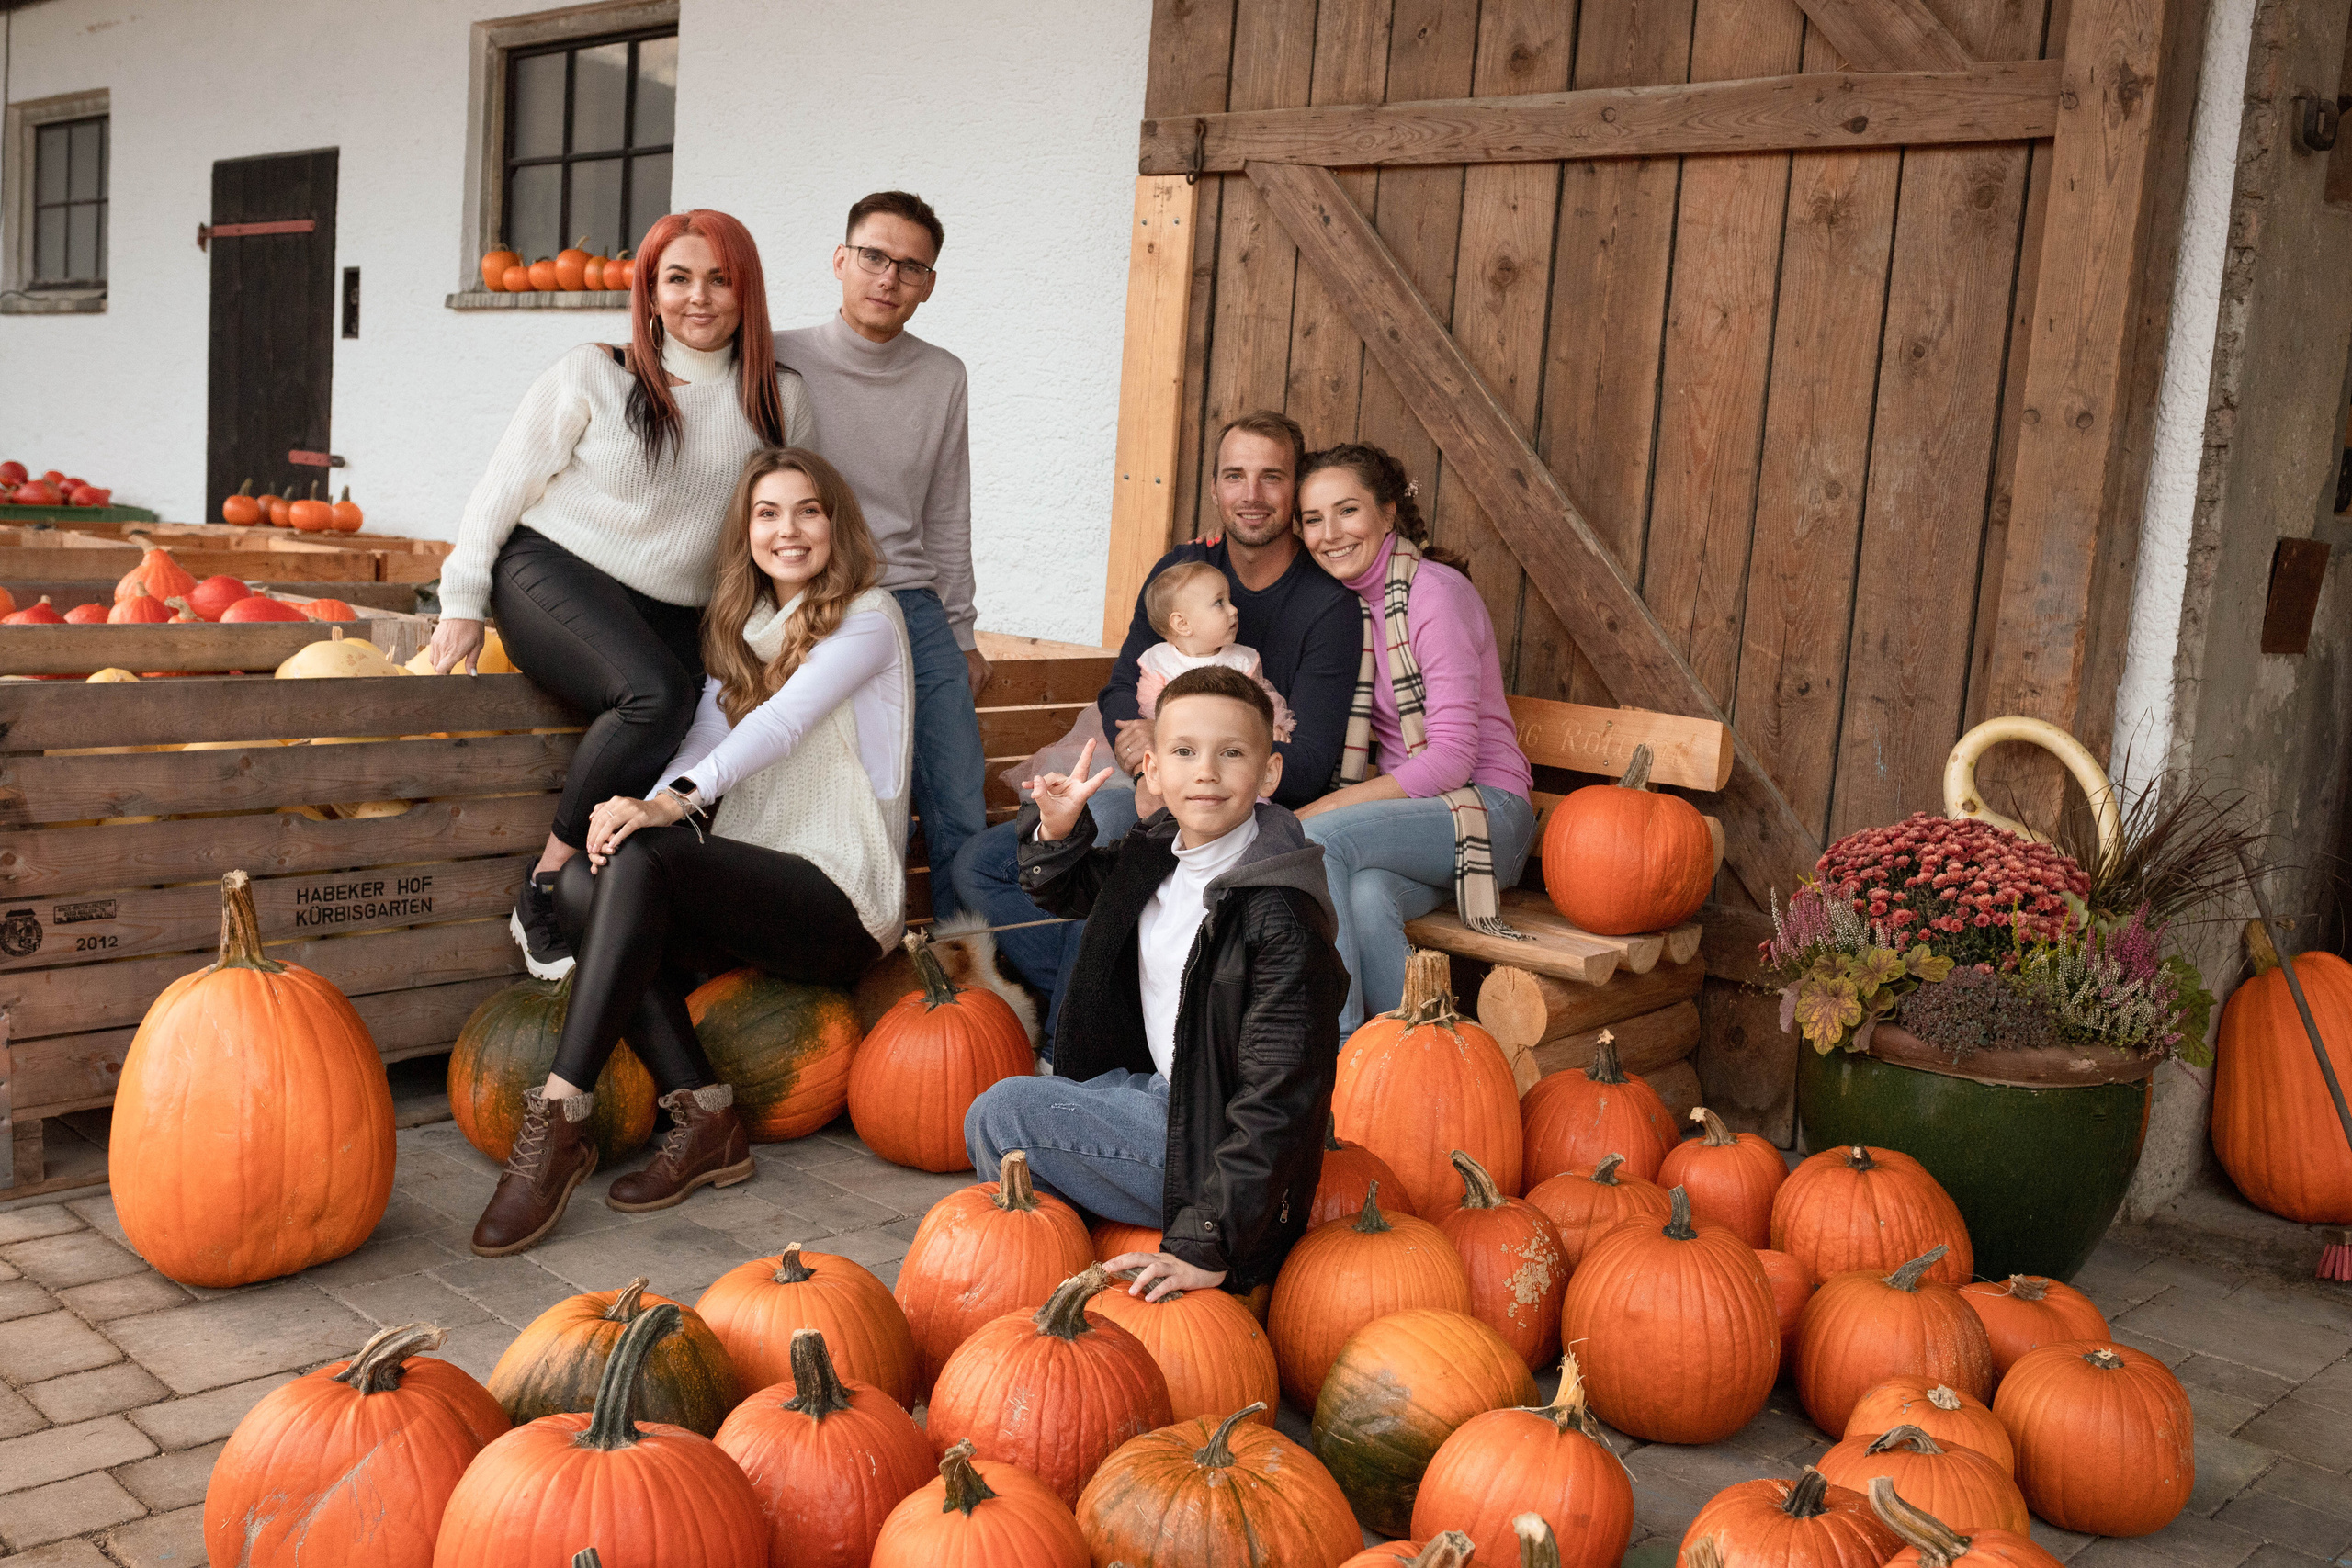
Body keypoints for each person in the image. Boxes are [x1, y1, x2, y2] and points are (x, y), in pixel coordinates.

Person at [469, 447, 913, 1258]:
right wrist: (634, 814)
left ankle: (559, 1114)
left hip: (843, 899)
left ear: (836, 524)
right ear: (745, 532)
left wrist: (667, 807)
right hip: (757, 887)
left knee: (646, 855)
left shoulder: (870, 617)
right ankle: (706, 1116)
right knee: (583, 882)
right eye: (767, 513)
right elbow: (707, 738)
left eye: (808, 510)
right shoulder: (739, 628)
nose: (788, 530)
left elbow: (780, 724)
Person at [431, 209, 814, 981]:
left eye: (720, 279)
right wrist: (462, 602)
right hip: (552, 571)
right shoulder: (595, 373)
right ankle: (545, 884)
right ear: (650, 291)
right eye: (678, 278)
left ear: (747, 291)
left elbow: (783, 525)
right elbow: (501, 489)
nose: (698, 297)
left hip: (680, 610)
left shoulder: (780, 398)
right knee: (655, 696)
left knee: (699, 725)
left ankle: (621, 916)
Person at [948, 411, 1360, 1037]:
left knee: (1109, 848)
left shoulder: (1325, 605)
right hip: (1152, 778)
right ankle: (1106, 1003)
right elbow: (1121, 687)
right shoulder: (1185, 571)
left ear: (1295, 486)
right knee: (980, 864)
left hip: (1230, 808)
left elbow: (1305, 765)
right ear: (1215, 487)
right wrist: (1140, 755)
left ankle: (1071, 1039)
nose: (1251, 494)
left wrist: (1170, 770)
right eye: (1234, 475)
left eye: (1271, 477)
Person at [965, 665, 1348, 1301]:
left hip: (1215, 1148)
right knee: (1046, 1099)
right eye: (1184, 751)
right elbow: (1074, 890)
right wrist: (1056, 829)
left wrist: (1210, 1242)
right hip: (1168, 1096)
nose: (1206, 772)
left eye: (1232, 753)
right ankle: (1067, 1268)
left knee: (1002, 1115)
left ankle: (1044, 1294)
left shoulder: (1281, 913)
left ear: (1269, 773)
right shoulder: (1160, 851)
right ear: (1153, 770)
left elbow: (1279, 1096)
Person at [776, 191, 986, 920]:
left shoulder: (943, 376)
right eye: (873, 256)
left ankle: (963, 963)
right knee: (841, 798)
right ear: (841, 259)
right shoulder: (775, 356)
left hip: (912, 606)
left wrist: (962, 632)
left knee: (958, 797)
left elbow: (947, 511)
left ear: (929, 284)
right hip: (811, 603)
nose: (888, 278)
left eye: (910, 267)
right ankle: (847, 952)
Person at [1294, 444, 1537, 1032]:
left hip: (1489, 813)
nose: (1330, 533)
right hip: (1425, 821)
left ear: (1388, 513)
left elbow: (1451, 759)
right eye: (1313, 518)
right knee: (1367, 895)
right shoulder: (1349, 608)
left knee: (1317, 840)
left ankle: (1336, 1055)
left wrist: (1316, 812)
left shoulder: (1433, 594)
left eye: (1347, 510)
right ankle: (1408, 1051)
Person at [1129, 561, 1295, 817]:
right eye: (1219, 603)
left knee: (1254, 800)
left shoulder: (1240, 660)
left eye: (1229, 600)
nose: (1233, 609)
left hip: (1229, 757)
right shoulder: (1160, 661)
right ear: (1182, 623)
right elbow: (1152, 710)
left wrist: (1271, 725)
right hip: (1183, 758)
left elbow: (1259, 699)